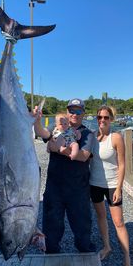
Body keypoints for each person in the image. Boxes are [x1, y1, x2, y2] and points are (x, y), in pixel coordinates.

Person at [34, 98, 95, 254]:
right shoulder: (55, 127)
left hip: (78, 189)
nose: (74, 114)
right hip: (54, 187)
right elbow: (41, 133)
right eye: (71, 111)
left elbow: (83, 156)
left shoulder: (87, 133)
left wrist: (57, 148)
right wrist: (36, 120)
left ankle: (85, 251)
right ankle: (51, 251)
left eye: (78, 111)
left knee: (82, 226)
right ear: (67, 113)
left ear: (83, 113)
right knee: (51, 226)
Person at [89, 105, 133, 266]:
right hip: (95, 183)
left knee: (118, 222)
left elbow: (122, 164)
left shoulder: (116, 137)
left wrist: (119, 188)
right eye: (99, 117)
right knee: (101, 217)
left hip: (112, 185)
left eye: (106, 117)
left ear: (111, 119)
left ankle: (127, 259)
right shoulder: (93, 137)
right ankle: (107, 246)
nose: (102, 120)